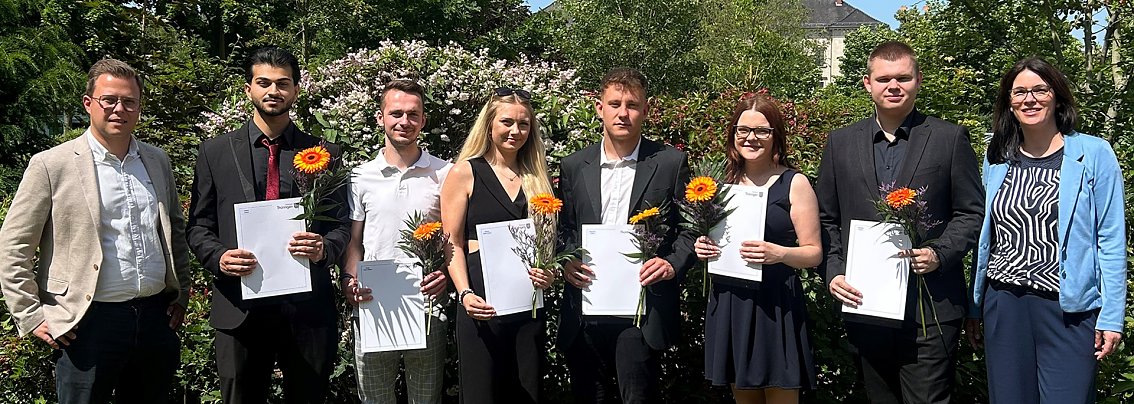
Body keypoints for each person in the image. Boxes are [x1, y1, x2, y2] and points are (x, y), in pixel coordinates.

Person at [0, 58, 191, 403]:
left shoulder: (156, 160)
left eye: (129, 101)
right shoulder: (51, 164)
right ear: (89, 103)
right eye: (110, 99)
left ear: (139, 107)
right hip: (87, 324)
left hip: (153, 320)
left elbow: (174, 229)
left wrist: (181, 293)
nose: (120, 108)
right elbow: (14, 245)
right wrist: (30, 315)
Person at [816, 41, 983, 403]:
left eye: (903, 78)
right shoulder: (840, 143)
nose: (894, 86)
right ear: (867, 84)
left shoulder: (949, 138)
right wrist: (834, 272)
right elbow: (826, 218)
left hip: (932, 306)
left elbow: (972, 213)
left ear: (918, 80)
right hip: (865, 302)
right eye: (884, 78)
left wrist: (939, 252)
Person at [186, 46, 351, 403]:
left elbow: (340, 226)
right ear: (249, 88)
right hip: (240, 306)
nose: (273, 91)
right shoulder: (215, 152)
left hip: (306, 309)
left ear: (296, 90)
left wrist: (325, 248)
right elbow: (198, 226)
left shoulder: (325, 153)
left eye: (282, 83)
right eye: (263, 83)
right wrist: (219, 258)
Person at [967, 57, 1127, 403]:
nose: (1030, 99)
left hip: (1068, 309)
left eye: (1040, 90)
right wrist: (975, 305)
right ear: (1009, 102)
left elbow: (1110, 240)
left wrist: (1112, 316)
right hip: (1004, 304)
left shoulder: (1094, 153)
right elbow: (986, 238)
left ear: (1056, 97)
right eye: (1020, 92)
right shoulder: (996, 155)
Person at [557, 68, 696, 403]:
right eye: (615, 103)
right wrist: (566, 261)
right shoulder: (574, 165)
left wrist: (672, 263)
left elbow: (691, 228)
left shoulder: (670, 163)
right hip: (585, 303)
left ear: (646, 111)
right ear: (599, 107)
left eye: (632, 105)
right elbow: (564, 227)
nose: (623, 113)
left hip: (642, 307)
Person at [693, 95, 821, 404]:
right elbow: (712, 237)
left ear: (775, 134)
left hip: (776, 305)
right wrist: (702, 247)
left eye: (762, 131)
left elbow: (814, 253)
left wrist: (780, 254)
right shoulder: (717, 184)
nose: (751, 138)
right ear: (733, 134)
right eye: (743, 130)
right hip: (732, 303)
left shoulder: (794, 182)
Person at [439, 87, 556, 403]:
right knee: (482, 394)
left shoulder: (538, 177)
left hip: (527, 306)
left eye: (524, 124)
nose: (515, 131)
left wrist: (549, 274)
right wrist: (464, 293)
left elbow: (546, 247)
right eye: (507, 122)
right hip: (480, 304)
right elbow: (453, 243)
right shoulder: (465, 172)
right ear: (489, 125)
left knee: (526, 393)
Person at [341, 79, 452, 404]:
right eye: (396, 113)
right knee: (376, 399)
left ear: (423, 121)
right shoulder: (360, 176)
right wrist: (348, 279)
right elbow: (354, 241)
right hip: (373, 304)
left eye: (413, 114)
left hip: (427, 306)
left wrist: (446, 274)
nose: (405, 121)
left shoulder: (444, 174)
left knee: (425, 399)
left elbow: (452, 238)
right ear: (380, 118)